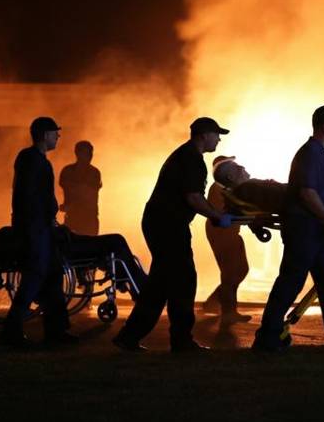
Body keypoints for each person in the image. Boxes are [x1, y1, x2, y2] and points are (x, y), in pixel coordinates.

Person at [113, 117, 234, 352]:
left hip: (160, 222)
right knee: (184, 280)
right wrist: (217, 216)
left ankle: (129, 337)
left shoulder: (184, 155)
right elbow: (194, 198)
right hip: (168, 226)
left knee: (160, 284)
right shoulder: (192, 160)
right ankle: (181, 341)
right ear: (204, 135)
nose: (219, 139)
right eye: (216, 134)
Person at [252, 105, 324, 353]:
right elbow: (307, 192)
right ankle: (267, 338)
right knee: (290, 284)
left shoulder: (318, 154)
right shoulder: (311, 154)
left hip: (315, 232)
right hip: (305, 230)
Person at [1, 116, 74, 348]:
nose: (58, 137)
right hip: (35, 230)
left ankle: (57, 331)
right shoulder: (33, 160)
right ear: (45, 135)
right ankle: (12, 330)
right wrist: (43, 221)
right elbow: (31, 196)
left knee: (53, 277)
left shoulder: (32, 159)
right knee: (34, 278)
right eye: (55, 133)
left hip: (40, 228)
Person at [202, 155, 252, 325]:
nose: (238, 167)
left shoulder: (229, 188)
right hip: (221, 232)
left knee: (242, 269)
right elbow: (219, 214)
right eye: (234, 166)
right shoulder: (217, 189)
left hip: (231, 232)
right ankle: (228, 312)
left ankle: (214, 302)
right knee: (230, 272)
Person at [58, 140, 102, 235]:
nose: (89, 156)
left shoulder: (94, 173)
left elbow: (86, 193)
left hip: (89, 219)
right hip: (74, 219)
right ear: (77, 153)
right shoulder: (68, 171)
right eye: (86, 153)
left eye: (90, 153)